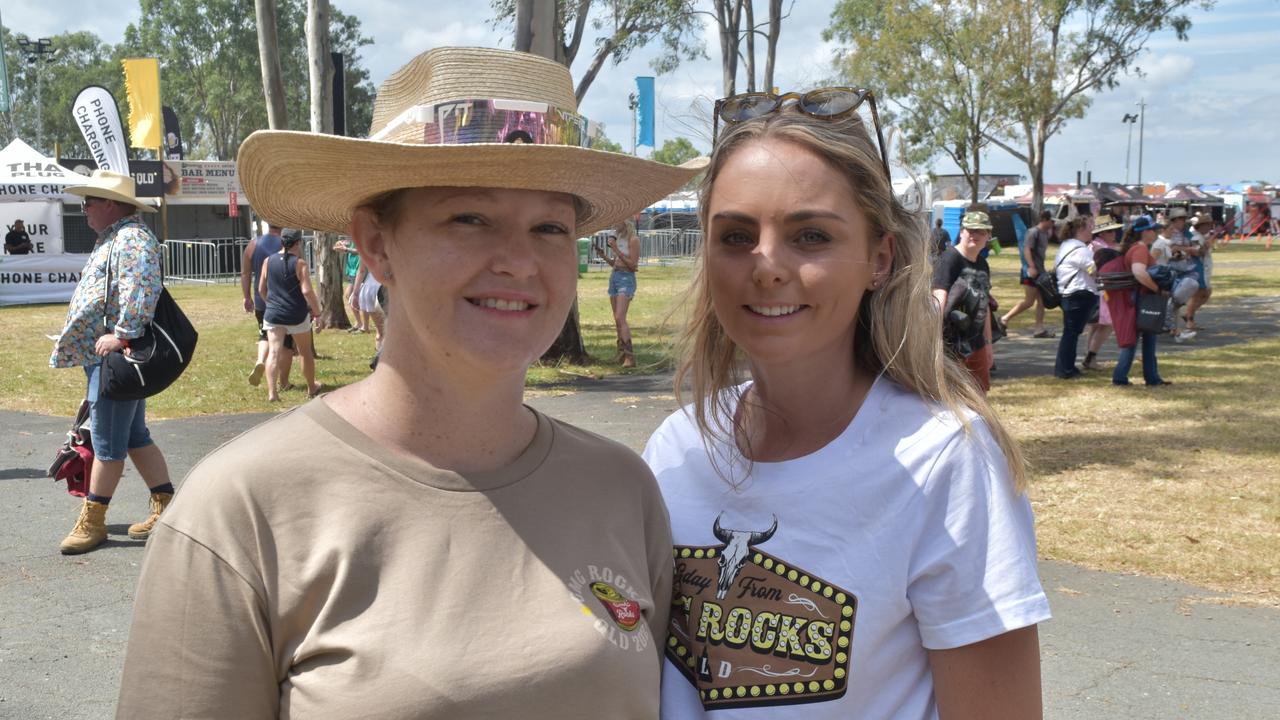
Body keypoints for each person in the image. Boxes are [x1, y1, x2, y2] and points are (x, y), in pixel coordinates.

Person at [116, 46, 706, 718]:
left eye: (550, 227)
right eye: (470, 218)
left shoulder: (622, 491)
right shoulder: (242, 511)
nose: (518, 260)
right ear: (376, 243)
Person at [645, 88, 1049, 719]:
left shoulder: (945, 461)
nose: (767, 266)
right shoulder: (676, 449)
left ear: (879, 259)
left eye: (810, 235)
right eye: (735, 236)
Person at [49, 170, 175, 555]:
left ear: (109, 203)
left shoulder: (131, 239)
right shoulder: (118, 237)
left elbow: (141, 291)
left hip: (115, 356)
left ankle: (94, 521)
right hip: (109, 355)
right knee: (134, 435)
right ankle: (167, 507)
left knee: (107, 443)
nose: (83, 208)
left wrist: (121, 334)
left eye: (89, 200)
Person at [932, 210, 995, 391]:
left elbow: (985, 305)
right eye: (970, 230)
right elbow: (938, 296)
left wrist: (988, 344)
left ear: (988, 236)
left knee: (979, 394)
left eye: (981, 232)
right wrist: (932, 340)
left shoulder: (983, 264)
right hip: (951, 343)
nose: (975, 235)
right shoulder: (950, 258)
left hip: (976, 342)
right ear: (961, 232)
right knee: (952, 396)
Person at [1104, 215, 1170, 386]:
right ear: (1145, 232)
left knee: (1147, 338)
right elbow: (1139, 272)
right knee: (1135, 339)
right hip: (1142, 298)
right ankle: (1121, 377)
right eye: (1153, 229)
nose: (1156, 232)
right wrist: (1157, 289)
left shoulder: (1135, 248)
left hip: (1139, 297)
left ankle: (1151, 378)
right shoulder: (1139, 250)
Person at [258, 231, 323, 401]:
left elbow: (261, 289)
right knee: (305, 352)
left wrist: (270, 304)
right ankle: (311, 387)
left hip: (273, 314)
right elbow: (307, 291)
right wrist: (317, 313)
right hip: (296, 314)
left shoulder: (268, 261)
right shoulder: (300, 263)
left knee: (273, 352)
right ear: (298, 243)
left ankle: (272, 393)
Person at [241, 222, 295, 388]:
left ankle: (259, 360)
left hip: (261, 299)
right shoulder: (287, 243)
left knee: (264, 334)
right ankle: (283, 382)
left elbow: (245, 273)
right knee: (285, 344)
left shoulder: (253, 244)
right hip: (283, 301)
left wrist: (247, 297)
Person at [1052, 214, 1099, 379]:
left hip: (1070, 293)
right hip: (1079, 293)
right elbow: (1093, 270)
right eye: (1090, 226)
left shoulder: (1067, 245)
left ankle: (1067, 367)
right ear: (1081, 229)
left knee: (1070, 333)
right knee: (1071, 334)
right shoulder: (1080, 249)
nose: (1093, 229)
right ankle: (1065, 370)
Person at [1001, 210, 1055, 337]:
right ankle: (1004, 319)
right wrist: (1031, 267)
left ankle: (1039, 329)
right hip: (1030, 272)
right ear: (1045, 220)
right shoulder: (1033, 232)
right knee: (1029, 301)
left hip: (1040, 271)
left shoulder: (1045, 233)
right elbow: (1026, 249)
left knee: (1042, 300)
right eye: (1052, 221)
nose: (1053, 223)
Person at [596, 220, 640, 367]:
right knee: (617, 319)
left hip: (626, 278)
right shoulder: (618, 239)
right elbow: (616, 263)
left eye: (617, 222)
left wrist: (615, 249)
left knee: (620, 316)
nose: (614, 225)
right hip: (614, 276)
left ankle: (630, 357)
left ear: (626, 222)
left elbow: (633, 266)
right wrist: (604, 256)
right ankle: (621, 353)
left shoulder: (633, 240)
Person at [1083, 213, 1124, 369]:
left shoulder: (1099, 246)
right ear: (1101, 233)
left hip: (1099, 290)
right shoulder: (1098, 248)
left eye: (1114, 231)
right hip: (1103, 291)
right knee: (1107, 325)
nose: (1114, 234)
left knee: (1096, 326)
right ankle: (1090, 357)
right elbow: (1091, 269)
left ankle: (1090, 356)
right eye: (1110, 231)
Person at [1184, 214, 1219, 330]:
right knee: (1198, 293)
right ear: (1202, 226)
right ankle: (1189, 318)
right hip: (1199, 268)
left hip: (1204, 268)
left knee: (1205, 293)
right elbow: (1197, 252)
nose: (1210, 227)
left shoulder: (1200, 236)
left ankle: (1189, 314)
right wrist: (1206, 245)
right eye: (1208, 225)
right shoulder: (1195, 237)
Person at [333, 237, 368, 332]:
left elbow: (361, 251)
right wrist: (341, 243)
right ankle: (360, 323)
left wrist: (346, 249)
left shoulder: (362, 237)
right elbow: (349, 242)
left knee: (352, 296)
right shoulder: (353, 236)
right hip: (352, 271)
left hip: (359, 270)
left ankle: (364, 325)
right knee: (350, 296)